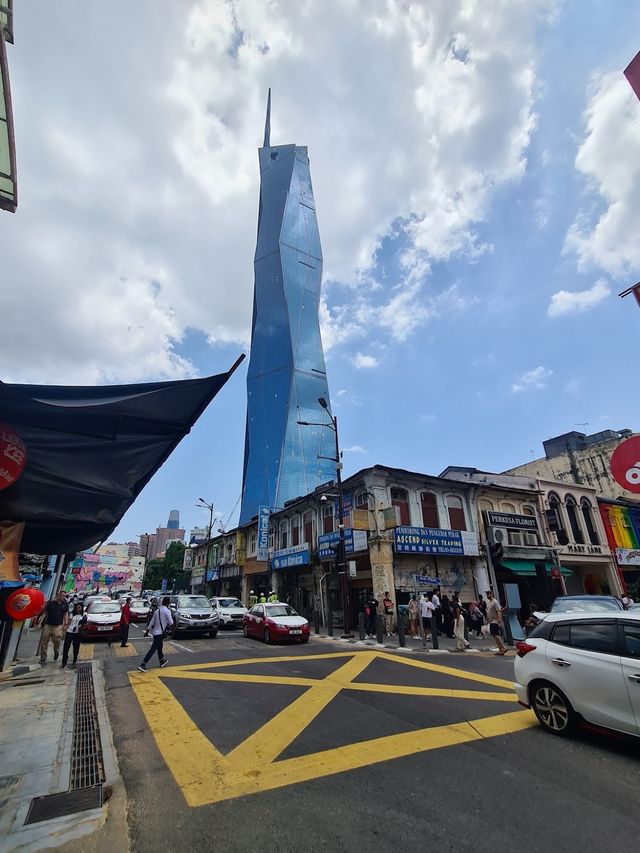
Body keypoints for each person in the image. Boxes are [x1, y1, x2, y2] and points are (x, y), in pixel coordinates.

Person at [138, 596, 173, 672]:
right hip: (160, 633)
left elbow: (151, 622)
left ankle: (162, 660)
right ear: (168, 603)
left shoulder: (157, 611)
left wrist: (147, 632)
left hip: (155, 633)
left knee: (160, 646)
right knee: (153, 649)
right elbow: (171, 622)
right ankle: (143, 664)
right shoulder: (167, 611)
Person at [39, 591, 69, 665]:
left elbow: (65, 614)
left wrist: (65, 624)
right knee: (44, 641)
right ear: (58, 595)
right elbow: (45, 613)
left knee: (57, 639)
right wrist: (40, 622)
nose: (63, 597)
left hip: (58, 625)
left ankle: (56, 651)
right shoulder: (51, 603)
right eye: (62, 596)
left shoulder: (65, 604)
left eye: (64, 596)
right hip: (48, 624)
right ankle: (43, 657)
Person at [61, 603, 86, 668]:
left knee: (76, 648)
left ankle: (75, 659)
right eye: (77, 608)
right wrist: (64, 633)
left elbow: (85, 622)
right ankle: (64, 662)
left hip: (77, 633)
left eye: (79, 608)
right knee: (66, 648)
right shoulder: (72, 614)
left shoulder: (84, 615)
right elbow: (68, 623)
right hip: (70, 632)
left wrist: (82, 622)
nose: (78, 609)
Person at [486, 590, 506, 655]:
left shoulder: (495, 602)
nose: (487, 595)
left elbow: (499, 611)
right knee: (494, 635)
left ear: (492, 594)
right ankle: (501, 650)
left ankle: (503, 647)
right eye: (487, 594)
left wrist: (499, 620)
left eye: (489, 594)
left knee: (495, 635)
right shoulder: (489, 602)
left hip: (495, 620)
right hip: (491, 621)